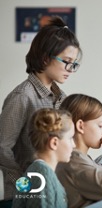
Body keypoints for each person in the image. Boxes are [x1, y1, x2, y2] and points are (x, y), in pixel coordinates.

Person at [0, 16, 81, 206]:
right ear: (45, 58)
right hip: (24, 195)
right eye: (67, 61)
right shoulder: (22, 97)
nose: (70, 69)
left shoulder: (62, 97)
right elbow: (3, 149)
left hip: (53, 189)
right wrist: (28, 181)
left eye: (74, 64)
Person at [12, 108, 75, 208]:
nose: (74, 145)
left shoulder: (39, 171)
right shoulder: (42, 175)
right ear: (54, 143)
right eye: (71, 138)